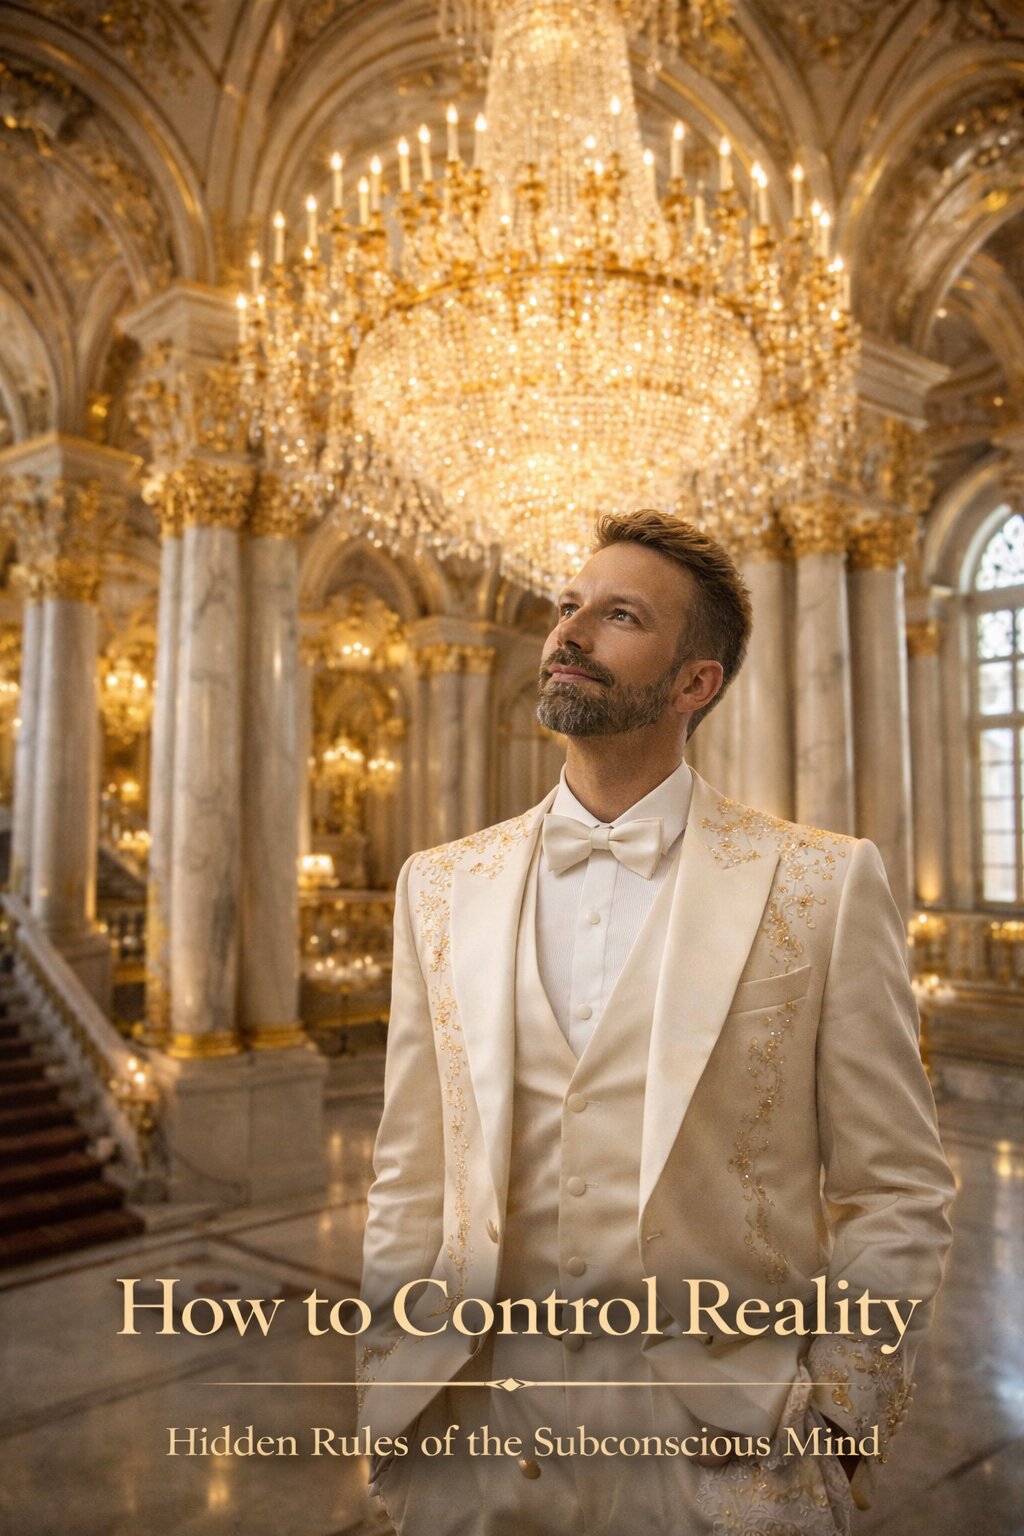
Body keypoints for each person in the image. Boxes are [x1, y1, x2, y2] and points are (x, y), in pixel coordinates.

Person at [358, 508, 955, 1535]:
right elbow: (412, 1168)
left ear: (694, 683)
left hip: (725, 1456)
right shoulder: (438, 886)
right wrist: (386, 1383)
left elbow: (896, 1188)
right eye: (568, 606)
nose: (570, 632)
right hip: (470, 1449)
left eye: (620, 616)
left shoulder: (821, 882)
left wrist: (838, 1418)